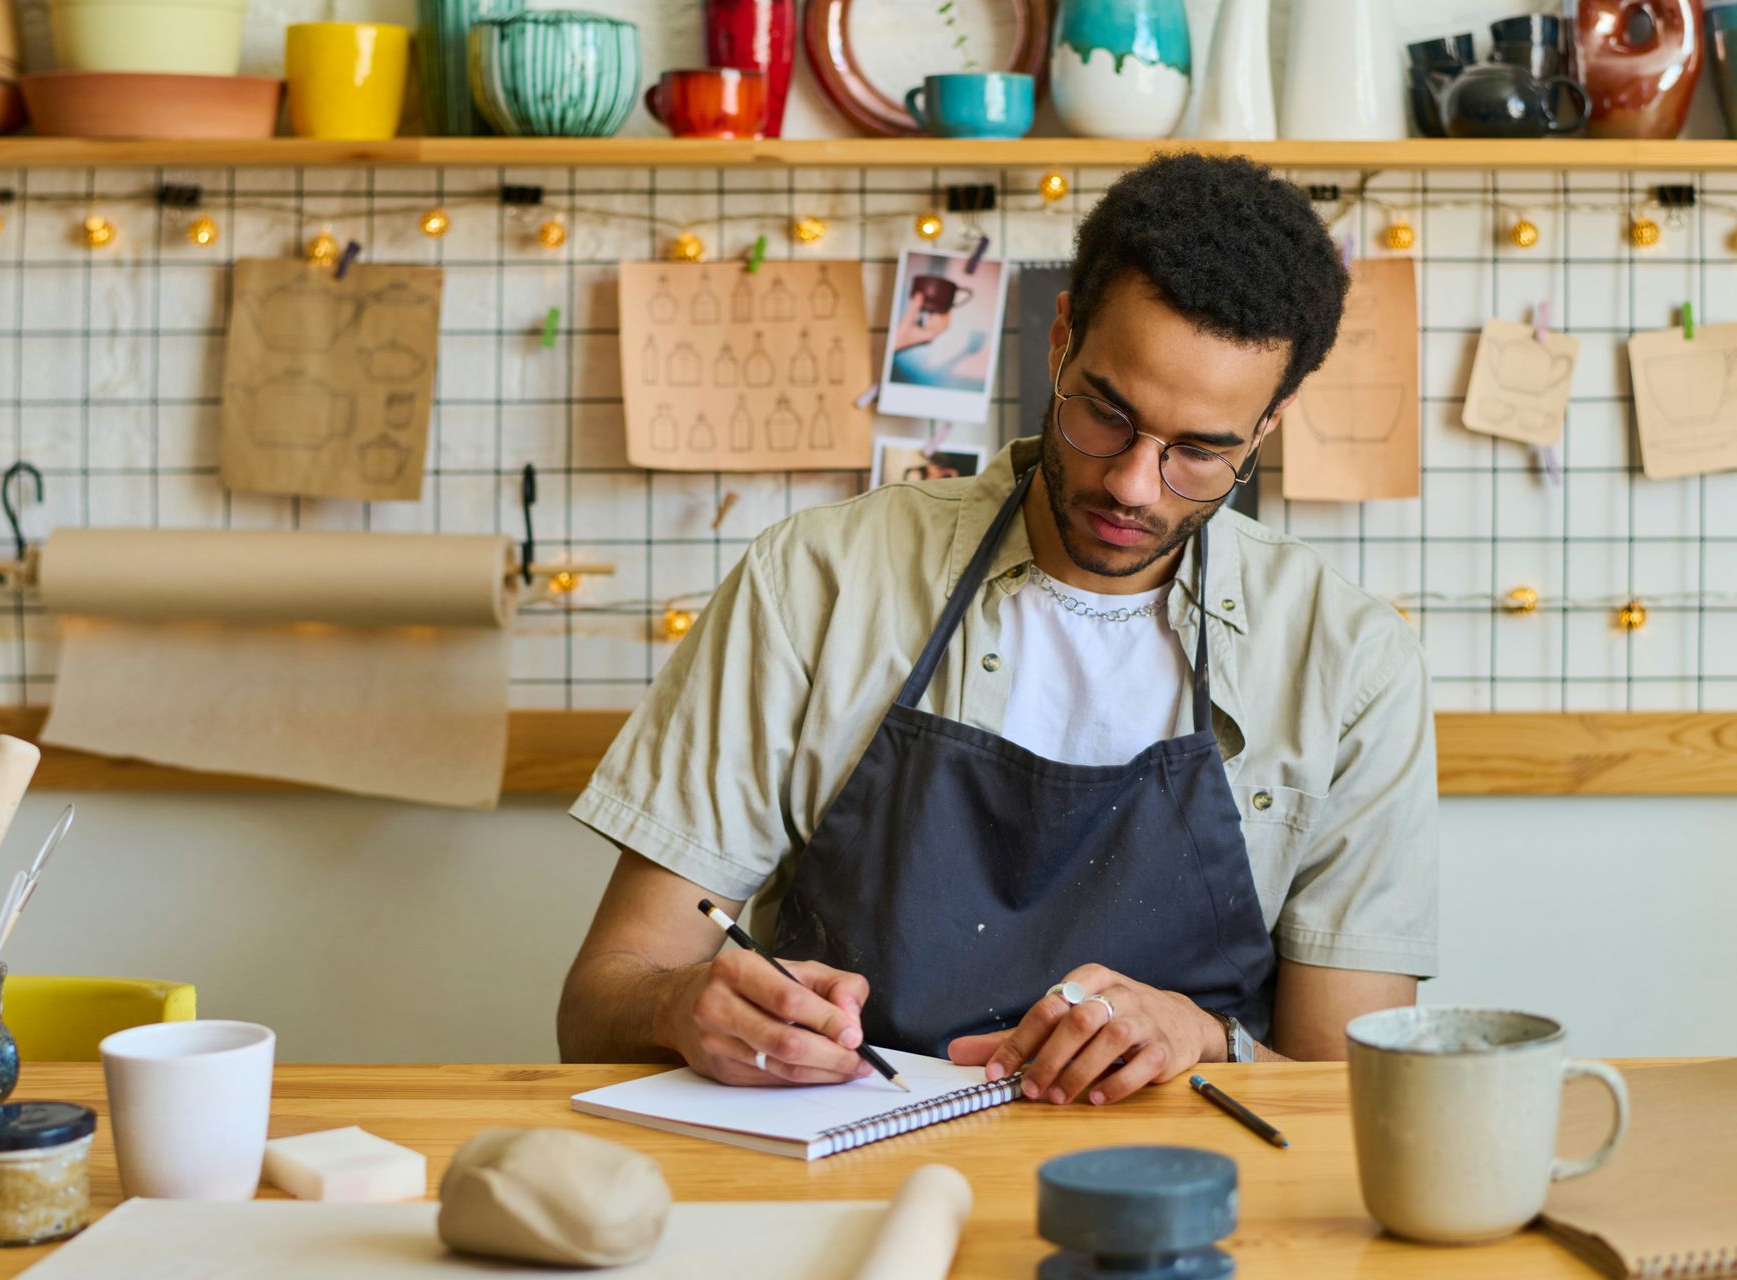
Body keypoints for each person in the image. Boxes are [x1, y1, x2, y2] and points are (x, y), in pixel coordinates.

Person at [557, 155, 1438, 1107]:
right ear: (1061, 339)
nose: (1135, 485)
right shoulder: (815, 583)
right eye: (1108, 415)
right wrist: (682, 1005)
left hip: (1186, 1197)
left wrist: (1210, 1040)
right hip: (845, 1177)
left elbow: (1346, 1093)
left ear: (1266, 428)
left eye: (1199, 452)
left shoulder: (1349, 661)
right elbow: (597, 1005)